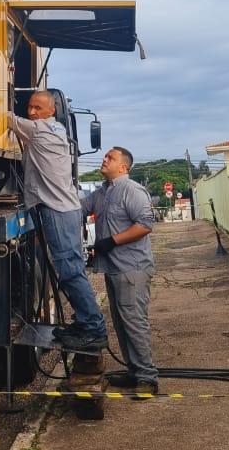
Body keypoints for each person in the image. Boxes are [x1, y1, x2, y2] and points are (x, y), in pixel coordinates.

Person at [8, 91, 107, 350]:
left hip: (57, 211)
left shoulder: (40, 130)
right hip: (62, 209)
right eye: (29, 107)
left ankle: (94, 328)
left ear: (51, 111)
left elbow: (5, 118)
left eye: (38, 107)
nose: (31, 112)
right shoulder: (58, 129)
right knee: (70, 269)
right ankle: (85, 321)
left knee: (71, 271)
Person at [81, 146, 158, 394]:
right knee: (122, 323)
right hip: (114, 269)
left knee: (134, 321)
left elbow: (145, 225)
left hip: (131, 268)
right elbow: (79, 208)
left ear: (123, 167)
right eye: (105, 156)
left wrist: (111, 241)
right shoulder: (102, 193)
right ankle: (134, 372)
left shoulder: (131, 190)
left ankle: (147, 378)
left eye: (110, 158)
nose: (104, 159)